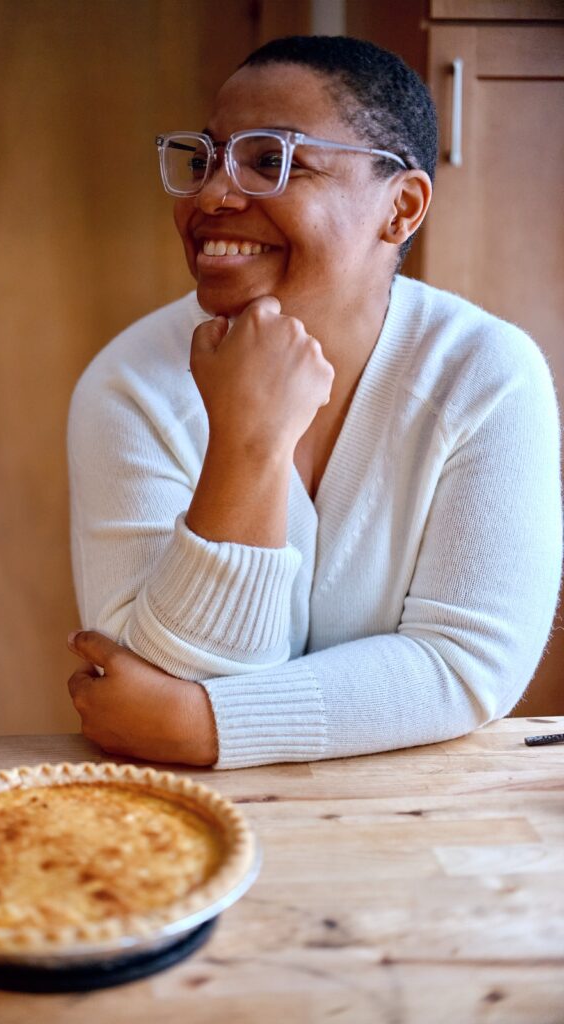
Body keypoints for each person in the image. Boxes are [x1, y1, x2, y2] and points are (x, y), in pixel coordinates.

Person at [65, 35, 562, 769]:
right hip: (186, 826)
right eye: (206, 159)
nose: (210, 197)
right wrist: (249, 444)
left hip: (417, 824)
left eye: (272, 161)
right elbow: (153, 688)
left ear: (401, 207)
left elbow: (466, 666)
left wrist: (209, 727)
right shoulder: (129, 386)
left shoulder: (487, 374)